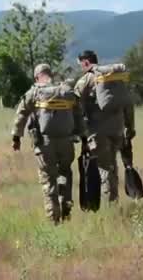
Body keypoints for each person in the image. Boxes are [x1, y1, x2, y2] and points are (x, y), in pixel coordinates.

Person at [11, 63, 87, 223]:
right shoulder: (66, 90)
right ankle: (66, 204)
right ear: (50, 74)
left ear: (37, 77)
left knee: (48, 179)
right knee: (65, 172)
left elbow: (21, 114)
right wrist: (83, 136)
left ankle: (54, 219)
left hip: (45, 144)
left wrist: (16, 137)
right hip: (67, 142)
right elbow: (79, 114)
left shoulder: (35, 92)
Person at [74, 50, 136, 207]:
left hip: (97, 132)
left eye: (81, 64)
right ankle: (114, 200)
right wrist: (130, 127)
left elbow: (75, 105)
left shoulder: (87, 79)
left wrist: (79, 131)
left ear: (86, 62)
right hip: (117, 130)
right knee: (111, 165)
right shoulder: (115, 79)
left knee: (104, 168)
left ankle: (111, 205)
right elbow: (128, 105)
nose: (81, 67)